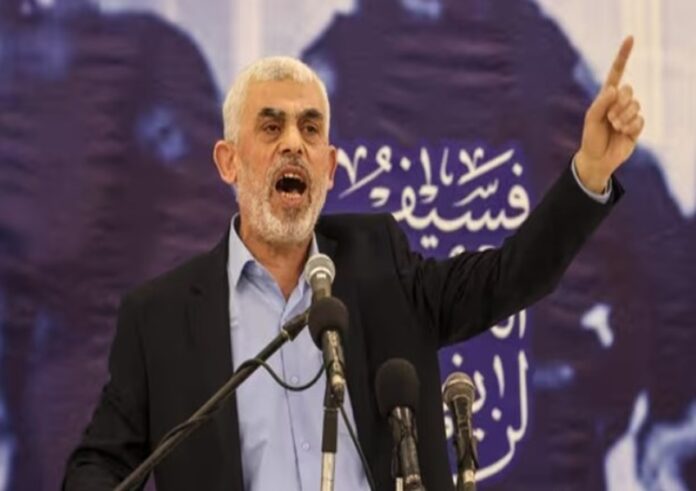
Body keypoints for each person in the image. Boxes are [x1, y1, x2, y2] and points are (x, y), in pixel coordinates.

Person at [63, 36, 644, 490]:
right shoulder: (161, 317)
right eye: (271, 126)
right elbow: (100, 464)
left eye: (310, 129)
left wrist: (590, 172)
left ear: (330, 167)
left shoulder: (380, 264)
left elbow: (510, 277)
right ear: (228, 162)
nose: (294, 142)